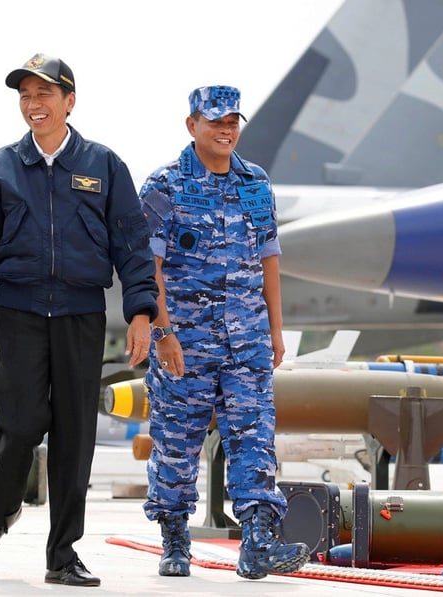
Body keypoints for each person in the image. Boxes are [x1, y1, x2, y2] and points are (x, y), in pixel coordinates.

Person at [0, 53, 158, 587]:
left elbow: (133, 244)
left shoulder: (104, 165)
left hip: (81, 314)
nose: (34, 105)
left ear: (69, 102)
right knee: (22, 423)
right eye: (26, 96)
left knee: (75, 437)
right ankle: (0, 512)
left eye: (44, 95)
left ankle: (63, 555)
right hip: (21, 311)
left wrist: (142, 312)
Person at [139, 85, 310, 580]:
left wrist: (275, 330)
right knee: (176, 443)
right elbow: (148, 269)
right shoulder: (164, 185)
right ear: (192, 125)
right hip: (184, 341)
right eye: (215, 121)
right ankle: (174, 537)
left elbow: (269, 258)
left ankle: (258, 542)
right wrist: (163, 331)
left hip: (247, 339)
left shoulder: (256, 183)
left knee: (255, 437)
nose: (226, 130)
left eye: (233, 121)